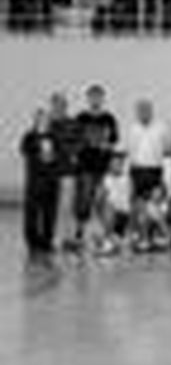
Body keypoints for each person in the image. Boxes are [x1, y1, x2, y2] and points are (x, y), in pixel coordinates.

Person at [71, 85, 119, 251]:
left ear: (102, 99)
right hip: (85, 167)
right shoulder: (80, 118)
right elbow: (74, 141)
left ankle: (105, 235)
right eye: (92, 97)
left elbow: (113, 141)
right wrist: (82, 147)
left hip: (103, 167)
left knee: (102, 202)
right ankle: (79, 233)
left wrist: (106, 145)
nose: (95, 100)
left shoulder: (109, 119)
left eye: (99, 97)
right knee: (84, 201)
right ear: (88, 99)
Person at [20, 109, 62, 258]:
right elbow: (25, 151)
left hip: (52, 180)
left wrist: (53, 158)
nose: (44, 121)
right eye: (41, 119)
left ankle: (47, 241)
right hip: (35, 181)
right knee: (32, 213)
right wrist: (40, 154)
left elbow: (60, 155)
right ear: (36, 120)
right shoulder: (29, 136)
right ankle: (32, 242)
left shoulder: (54, 137)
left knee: (50, 212)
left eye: (46, 119)